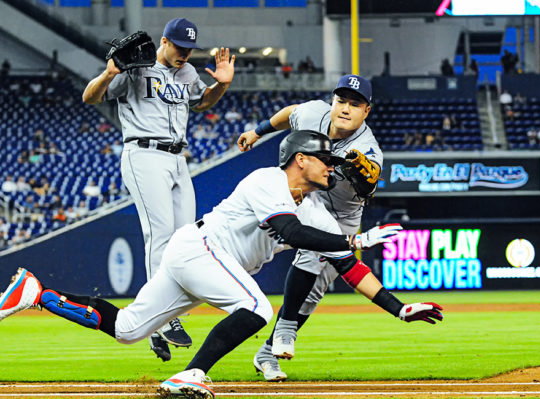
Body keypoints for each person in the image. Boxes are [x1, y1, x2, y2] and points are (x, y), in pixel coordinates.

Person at [0, 131, 442, 399]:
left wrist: (398, 307)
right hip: (201, 251)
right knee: (258, 310)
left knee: (128, 329)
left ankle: (38, 294)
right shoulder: (267, 180)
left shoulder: (316, 210)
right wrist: (353, 238)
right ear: (301, 159)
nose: (332, 168)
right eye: (326, 160)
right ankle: (191, 374)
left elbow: (347, 264)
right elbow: (289, 233)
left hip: (198, 260)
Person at [82, 17, 235, 361]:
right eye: (179, 46)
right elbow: (90, 97)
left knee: (184, 239)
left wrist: (221, 86)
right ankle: (166, 319)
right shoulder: (136, 69)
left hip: (178, 159)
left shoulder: (189, 74)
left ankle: (156, 321)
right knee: (161, 234)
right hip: (143, 153)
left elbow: (203, 103)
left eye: (189, 49)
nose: (184, 53)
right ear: (164, 41)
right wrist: (109, 73)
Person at [237, 75, 387, 381]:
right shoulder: (312, 113)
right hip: (306, 198)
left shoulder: (368, 148)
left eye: (355, 104)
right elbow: (289, 113)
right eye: (341, 101)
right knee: (312, 253)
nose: (346, 108)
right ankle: (284, 333)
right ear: (333, 101)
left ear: (366, 111)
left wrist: (364, 176)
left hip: (344, 215)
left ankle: (267, 353)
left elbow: (371, 179)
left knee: (314, 293)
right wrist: (257, 131)